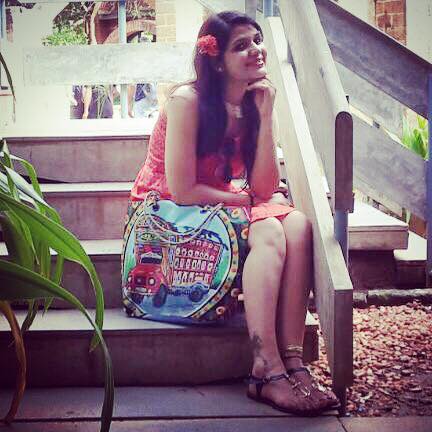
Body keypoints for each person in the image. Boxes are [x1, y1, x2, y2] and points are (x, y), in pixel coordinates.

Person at [128, 11, 339, 416]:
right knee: (270, 230)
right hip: (168, 211)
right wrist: (247, 202)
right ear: (217, 60)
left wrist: (267, 114)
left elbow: (263, 187)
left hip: (217, 203)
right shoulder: (187, 101)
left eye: (257, 40)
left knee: (297, 224)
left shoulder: (252, 102)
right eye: (241, 45)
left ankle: (292, 361)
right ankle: (266, 368)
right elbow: (183, 190)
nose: (256, 50)